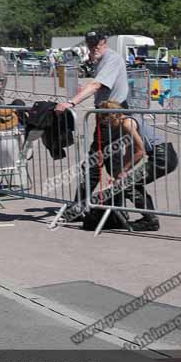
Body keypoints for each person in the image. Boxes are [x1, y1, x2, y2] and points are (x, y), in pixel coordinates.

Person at [57, 31, 130, 220]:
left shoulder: (112, 58)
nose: (92, 47)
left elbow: (97, 85)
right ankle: (114, 209)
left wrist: (72, 102)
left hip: (112, 115)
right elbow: (98, 86)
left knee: (102, 163)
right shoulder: (101, 60)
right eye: (90, 44)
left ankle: (104, 209)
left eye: (96, 44)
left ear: (104, 42)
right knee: (104, 163)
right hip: (105, 115)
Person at [96, 100, 179, 231]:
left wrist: (123, 172)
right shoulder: (127, 122)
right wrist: (120, 173)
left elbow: (140, 152)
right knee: (132, 182)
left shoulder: (127, 123)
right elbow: (130, 151)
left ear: (111, 116)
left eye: (104, 120)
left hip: (163, 157)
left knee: (128, 183)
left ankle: (150, 220)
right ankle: (150, 218)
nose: (105, 124)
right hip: (162, 155)